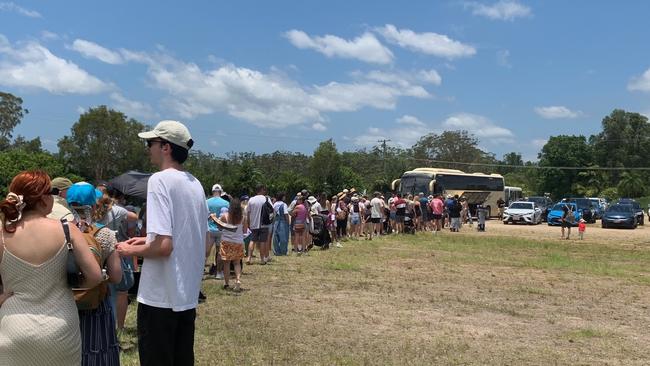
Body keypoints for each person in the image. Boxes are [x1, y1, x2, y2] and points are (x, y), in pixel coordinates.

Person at [116, 120, 209, 366]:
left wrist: (128, 249)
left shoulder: (159, 180)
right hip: (185, 293)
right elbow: (190, 235)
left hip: (160, 296)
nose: (148, 148)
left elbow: (164, 247)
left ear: (165, 147)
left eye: (151, 143)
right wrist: (147, 239)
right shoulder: (195, 184)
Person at [0, 170, 102, 365]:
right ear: (44, 199)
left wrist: (4, 297)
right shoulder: (67, 229)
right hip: (60, 327)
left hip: (13, 328)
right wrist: (72, 283)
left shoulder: (3, 234)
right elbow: (95, 276)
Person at [67, 182, 123, 365]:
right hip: (95, 304)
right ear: (93, 205)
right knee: (98, 351)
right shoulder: (105, 234)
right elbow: (116, 276)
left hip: (66, 302)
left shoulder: (60, 231)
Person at [217, 198, 246, 291]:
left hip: (226, 242)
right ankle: (238, 280)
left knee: (227, 264)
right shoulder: (243, 217)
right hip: (238, 242)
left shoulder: (224, 216)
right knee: (237, 263)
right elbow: (245, 231)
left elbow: (220, 228)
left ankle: (226, 283)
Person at [206, 184, 229, 279]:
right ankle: (219, 273)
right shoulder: (226, 203)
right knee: (220, 252)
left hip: (209, 229)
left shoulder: (206, 202)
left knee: (206, 251)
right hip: (221, 230)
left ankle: (200, 271)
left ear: (212, 192)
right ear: (220, 192)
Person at [246, 184, 272, 265]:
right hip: (263, 223)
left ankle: (249, 258)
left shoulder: (251, 200)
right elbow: (272, 210)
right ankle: (262, 259)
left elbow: (248, 213)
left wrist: (249, 223)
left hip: (253, 223)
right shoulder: (266, 199)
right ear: (261, 190)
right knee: (263, 241)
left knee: (252, 240)